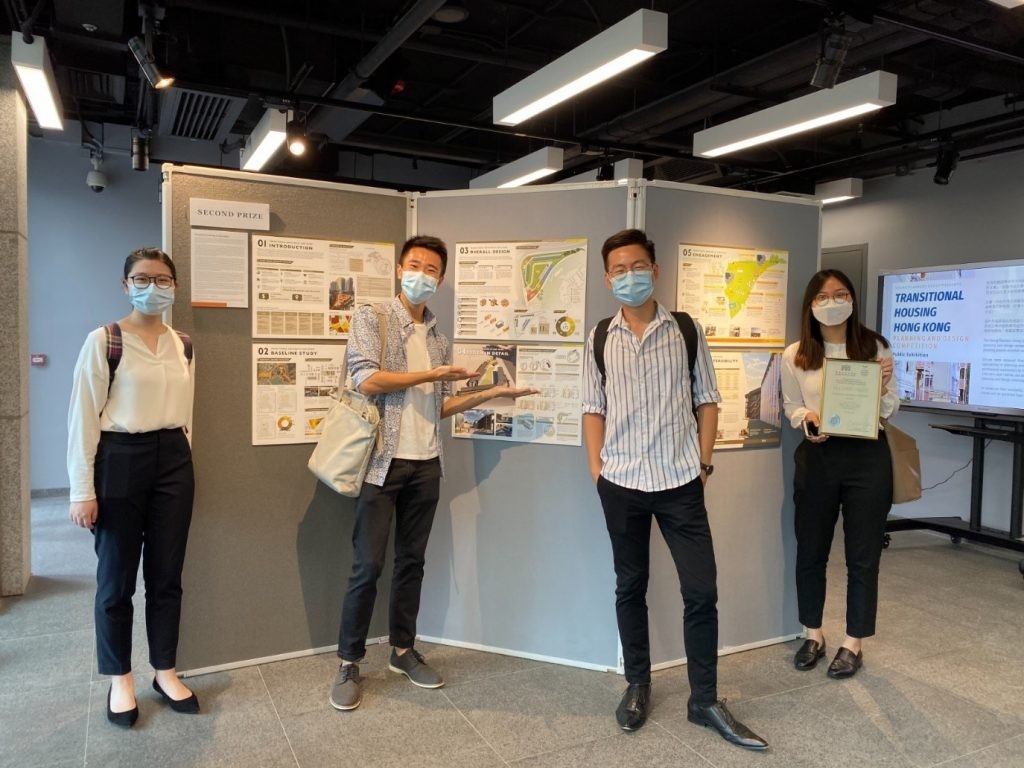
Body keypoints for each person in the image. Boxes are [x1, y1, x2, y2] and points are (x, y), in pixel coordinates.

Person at [330, 235, 537, 711]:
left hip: (426, 464)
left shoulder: (439, 335)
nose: (422, 274)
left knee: (412, 563)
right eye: (414, 265)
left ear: (440, 280)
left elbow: (438, 404)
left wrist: (492, 395)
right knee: (368, 567)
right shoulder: (373, 318)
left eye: (431, 269)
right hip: (380, 463)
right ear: (400, 269)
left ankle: (403, 650)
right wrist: (431, 375)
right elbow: (368, 379)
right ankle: (348, 661)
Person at [582, 229, 768, 751]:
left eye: (637, 266)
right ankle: (637, 684)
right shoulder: (599, 337)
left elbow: (707, 399)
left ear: (656, 270)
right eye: (618, 269)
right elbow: (591, 408)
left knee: (701, 590)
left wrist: (703, 465)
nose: (628, 276)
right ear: (606, 277)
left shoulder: (686, 330)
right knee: (629, 586)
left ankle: (703, 697)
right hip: (620, 482)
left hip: (679, 481)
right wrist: (597, 472)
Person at [67, 248, 200, 728]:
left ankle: (164, 669)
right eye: (142, 278)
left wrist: (186, 461)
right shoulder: (104, 341)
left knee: (167, 576)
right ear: (125, 285)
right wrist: (82, 490)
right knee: (116, 579)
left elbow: (187, 412)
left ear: (175, 287)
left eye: (163, 279)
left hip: (173, 460)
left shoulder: (183, 343)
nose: (153, 287)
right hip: (119, 457)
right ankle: (119, 677)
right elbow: (82, 418)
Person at [781, 269, 897, 679]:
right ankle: (812, 632)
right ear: (810, 304)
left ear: (853, 300)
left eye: (841, 294)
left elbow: (888, 410)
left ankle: (854, 641)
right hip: (819, 457)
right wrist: (805, 417)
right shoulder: (795, 353)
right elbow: (791, 406)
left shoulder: (875, 346)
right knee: (810, 550)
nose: (833, 302)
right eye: (823, 296)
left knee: (862, 555)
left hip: (868, 457)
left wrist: (881, 389)